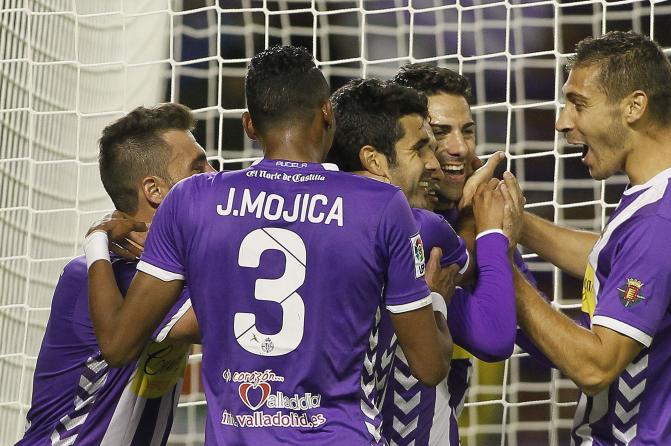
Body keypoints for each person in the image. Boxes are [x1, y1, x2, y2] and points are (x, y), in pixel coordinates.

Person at [83, 45, 455, 445]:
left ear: (249, 125)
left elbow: (118, 346)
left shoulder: (191, 200)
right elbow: (429, 367)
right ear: (327, 112)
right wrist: (434, 305)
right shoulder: (380, 205)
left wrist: (95, 243)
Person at [499, 31, 671, 444]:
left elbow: (595, 368)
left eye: (579, 104)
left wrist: (500, 263)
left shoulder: (658, 224)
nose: (563, 122)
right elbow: (626, 261)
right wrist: (519, 224)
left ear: (634, 106)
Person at [326, 78, 517, 445]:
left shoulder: (317, 216)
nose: (445, 156)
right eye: (426, 143)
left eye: (468, 131)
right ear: (375, 158)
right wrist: (490, 230)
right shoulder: (423, 231)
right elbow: (494, 336)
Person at [17, 103, 212, 445]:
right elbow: (233, 316)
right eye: (198, 168)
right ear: (154, 191)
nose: (213, 175)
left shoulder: (166, 268)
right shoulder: (122, 276)